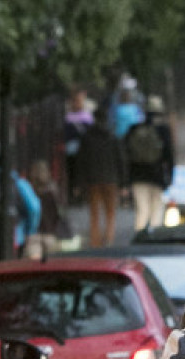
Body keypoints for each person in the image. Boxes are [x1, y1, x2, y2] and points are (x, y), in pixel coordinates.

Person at [69, 105, 127, 248]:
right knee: (110, 212)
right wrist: (124, 183)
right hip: (111, 179)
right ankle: (109, 239)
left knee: (94, 213)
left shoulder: (87, 138)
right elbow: (121, 160)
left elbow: (81, 161)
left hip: (93, 180)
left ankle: (95, 242)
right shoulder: (113, 137)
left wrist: (78, 182)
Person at [125, 97, 176, 234]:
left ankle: (140, 242)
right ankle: (155, 241)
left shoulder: (133, 129)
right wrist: (170, 177)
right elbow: (169, 156)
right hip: (157, 175)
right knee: (157, 211)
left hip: (137, 176)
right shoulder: (163, 131)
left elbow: (126, 155)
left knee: (142, 210)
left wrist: (126, 179)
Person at [22, 159, 70, 259]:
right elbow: (60, 213)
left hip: (33, 235)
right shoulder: (53, 190)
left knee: (34, 266)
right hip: (50, 234)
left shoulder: (29, 190)